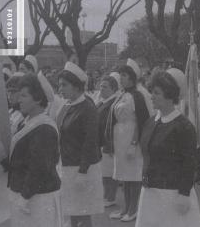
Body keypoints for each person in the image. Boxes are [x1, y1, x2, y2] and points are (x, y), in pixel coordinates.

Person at [136, 68, 200, 227]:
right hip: (150, 193)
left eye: (156, 93)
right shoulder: (150, 122)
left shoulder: (183, 126)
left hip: (173, 195)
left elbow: (189, 163)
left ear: (170, 95)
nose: (151, 96)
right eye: (151, 91)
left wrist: (184, 194)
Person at [8, 74, 62, 227]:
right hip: (26, 194)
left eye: (24, 95)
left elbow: (39, 168)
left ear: (38, 99)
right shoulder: (27, 121)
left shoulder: (44, 128)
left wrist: (24, 197)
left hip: (37, 198)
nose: (19, 99)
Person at [57, 61, 104, 227]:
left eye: (64, 85)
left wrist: (82, 172)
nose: (60, 89)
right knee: (71, 213)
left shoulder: (87, 108)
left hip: (82, 169)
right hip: (68, 167)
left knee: (82, 215)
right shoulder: (66, 107)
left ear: (77, 86)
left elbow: (90, 142)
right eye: (59, 85)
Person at [107, 59, 150, 222]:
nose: (121, 78)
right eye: (120, 75)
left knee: (134, 175)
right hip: (121, 138)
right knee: (124, 176)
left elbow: (141, 121)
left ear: (132, 78)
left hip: (132, 138)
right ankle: (125, 207)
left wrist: (134, 143)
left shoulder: (137, 95)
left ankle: (134, 208)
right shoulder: (122, 94)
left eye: (124, 75)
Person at [97, 74, 120, 208]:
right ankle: (106, 195)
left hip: (108, 142)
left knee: (109, 172)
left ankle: (111, 197)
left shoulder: (113, 103)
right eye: (100, 86)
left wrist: (109, 144)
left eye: (105, 87)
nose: (101, 89)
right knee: (104, 171)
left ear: (113, 88)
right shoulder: (102, 102)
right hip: (100, 141)